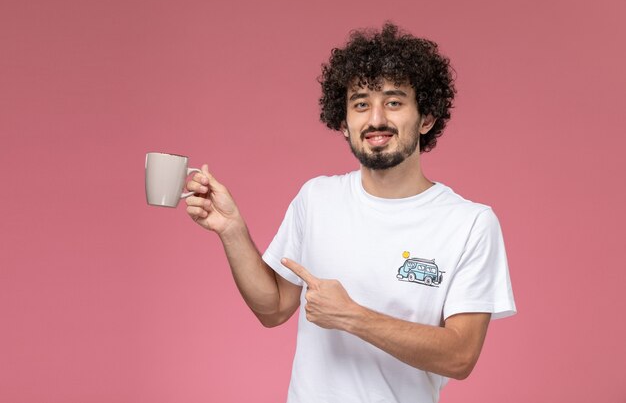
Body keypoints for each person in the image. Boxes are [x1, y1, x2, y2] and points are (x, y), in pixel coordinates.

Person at [185, 22, 516, 403]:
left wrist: (352, 316)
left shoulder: (470, 223)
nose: (376, 119)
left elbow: (460, 356)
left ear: (426, 118)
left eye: (394, 102)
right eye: (361, 104)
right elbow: (274, 308)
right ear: (343, 122)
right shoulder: (316, 198)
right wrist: (231, 230)